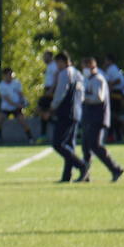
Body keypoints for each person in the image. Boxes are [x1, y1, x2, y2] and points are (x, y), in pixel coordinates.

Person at [77, 57, 124, 183]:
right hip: (89, 117)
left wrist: (83, 97)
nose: (83, 70)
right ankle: (85, 174)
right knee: (86, 146)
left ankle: (115, 169)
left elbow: (98, 97)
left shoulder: (98, 79)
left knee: (95, 145)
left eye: (85, 67)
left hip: (97, 117)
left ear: (91, 66)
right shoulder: (88, 79)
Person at [48, 52, 87, 183]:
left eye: (57, 63)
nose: (57, 66)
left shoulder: (65, 73)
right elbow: (82, 94)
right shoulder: (78, 74)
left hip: (65, 112)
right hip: (76, 112)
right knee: (69, 146)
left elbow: (60, 92)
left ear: (62, 61)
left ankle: (82, 166)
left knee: (58, 144)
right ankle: (67, 176)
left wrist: (53, 107)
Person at [0, 67, 33, 144]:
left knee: (23, 121)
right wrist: (18, 105)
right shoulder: (0, 86)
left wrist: (24, 101)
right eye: (9, 75)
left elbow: (20, 94)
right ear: (4, 75)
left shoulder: (16, 83)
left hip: (16, 108)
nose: (11, 76)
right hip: (6, 108)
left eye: (11, 74)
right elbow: (6, 99)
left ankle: (30, 138)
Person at [103, 54, 124, 142]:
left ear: (110, 61)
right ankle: (118, 135)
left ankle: (123, 130)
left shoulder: (112, 68)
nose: (105, 62)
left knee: (112, 116)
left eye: (106, 60)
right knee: (113, 117)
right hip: (115, 94)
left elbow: (118, 80)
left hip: (117, 94)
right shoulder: (112, 68)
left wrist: (110, 86)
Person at [37, 50, 57, 140]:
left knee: (42, 108)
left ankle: (55, 125)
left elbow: (56, 78)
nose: (44, 58)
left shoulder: (54, 66)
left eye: (45, 56)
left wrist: (52, 90)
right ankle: (44, 134)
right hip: (47, 89)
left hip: (52, 90)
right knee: (44, 111)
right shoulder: (49, 66)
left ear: (50, 56)